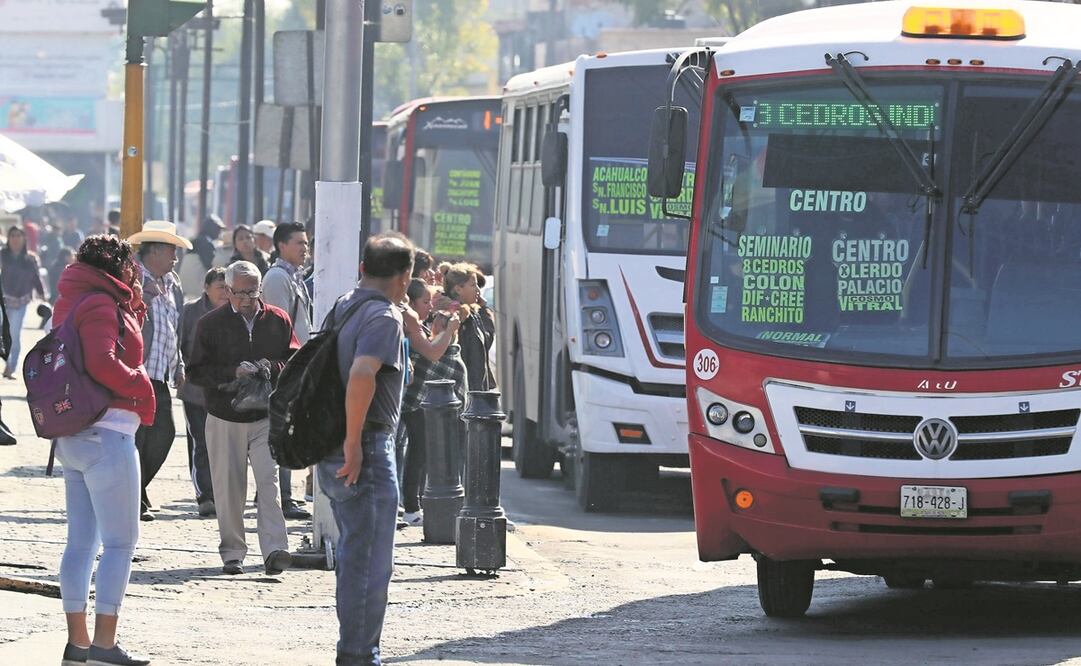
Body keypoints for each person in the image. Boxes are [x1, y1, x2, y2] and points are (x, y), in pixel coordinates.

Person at [51, 234, 155, 666]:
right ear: (119, 267)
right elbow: (101, 361)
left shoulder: (73, 298)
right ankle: (104, 645)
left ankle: (78, 644)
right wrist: (142, 384)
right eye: (132, 266)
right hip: (108, 432)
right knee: (119, 543)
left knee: (81, 543)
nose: (137, 273)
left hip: (75, 435)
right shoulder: (99, 302)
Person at [318, 232, 414, 665]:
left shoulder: (344, 305)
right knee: (370, 562)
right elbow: (361, 375)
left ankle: (355, 649)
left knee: (356, 552)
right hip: (366, 445)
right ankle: (358, 655)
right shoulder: (384, 317)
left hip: (334, 441)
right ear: (404, 277)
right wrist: (356, 443)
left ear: (363, 269)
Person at [188, 260, 298, 576]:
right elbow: (196, 371)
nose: (246, 300)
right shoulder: (210, 324)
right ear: (227, 291)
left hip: (265, 416)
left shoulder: (278, 320)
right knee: (229, 488)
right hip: (224, 416)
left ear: (260, 289)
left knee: (269, 482)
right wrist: (232, 372)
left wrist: (271, 367)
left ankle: (276, 549)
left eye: (251, 292)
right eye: (238, 293)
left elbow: (293, 360)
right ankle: (233, 553)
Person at [128, 221, 191, 522]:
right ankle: (134, 495)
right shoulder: (131, 278)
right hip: (136, 371)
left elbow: (173, 328)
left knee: (164, 433)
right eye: (171, 250)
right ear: (153, 251)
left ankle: (136, 488)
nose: (175, 257)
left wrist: (177, 363)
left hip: (161, 373)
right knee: (139, 437)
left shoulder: (173, 283)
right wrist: (145, 298)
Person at [399, 279, 462, 527]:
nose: (429, 307)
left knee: (417, 451)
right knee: (415, 452)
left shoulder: (418, 324)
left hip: (414, 399)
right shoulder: (410, 323)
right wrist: (448, 331)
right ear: (411, 302)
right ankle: (411, 507)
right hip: (411, 400)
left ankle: (411, 505)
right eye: (424, 302)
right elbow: (432, 353)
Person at [261, 221, 312, 520]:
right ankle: (282, 497)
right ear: (282, 245)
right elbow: (280, 326)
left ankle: (282, 494)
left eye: (305, 243)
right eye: (299, 243)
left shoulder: (295, 277)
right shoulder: (278, 278)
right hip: (286, 366)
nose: (305, 248)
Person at [178, 267, 229, 518]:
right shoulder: (190, 312)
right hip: (195, 390)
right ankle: (205, 496)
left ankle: (221, 493)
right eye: (220, 287)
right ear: (206, 288)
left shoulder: (234, 313)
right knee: (201, 442)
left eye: (227, 287)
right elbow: (179, 344)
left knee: (222, 446)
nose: (225, 293)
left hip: (225, 392)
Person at [441, 263, 496, 391]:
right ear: (458, 289)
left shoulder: (471, 313)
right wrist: (484, 311)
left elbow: (484, 342)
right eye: (473, 285)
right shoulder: (455, 315)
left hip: (471, 390)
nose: (478, 290)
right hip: (462, 390)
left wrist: (482, 310)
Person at [1, 225, 45, 379]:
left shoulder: (31, 258)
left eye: (18, 235)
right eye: (12, 235)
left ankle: (11, 367)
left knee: (14, 333)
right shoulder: (2, 255)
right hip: (4, 299)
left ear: (24, 238)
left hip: (21, 300)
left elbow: (36, 277)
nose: (15, 239)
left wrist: (42, 294)